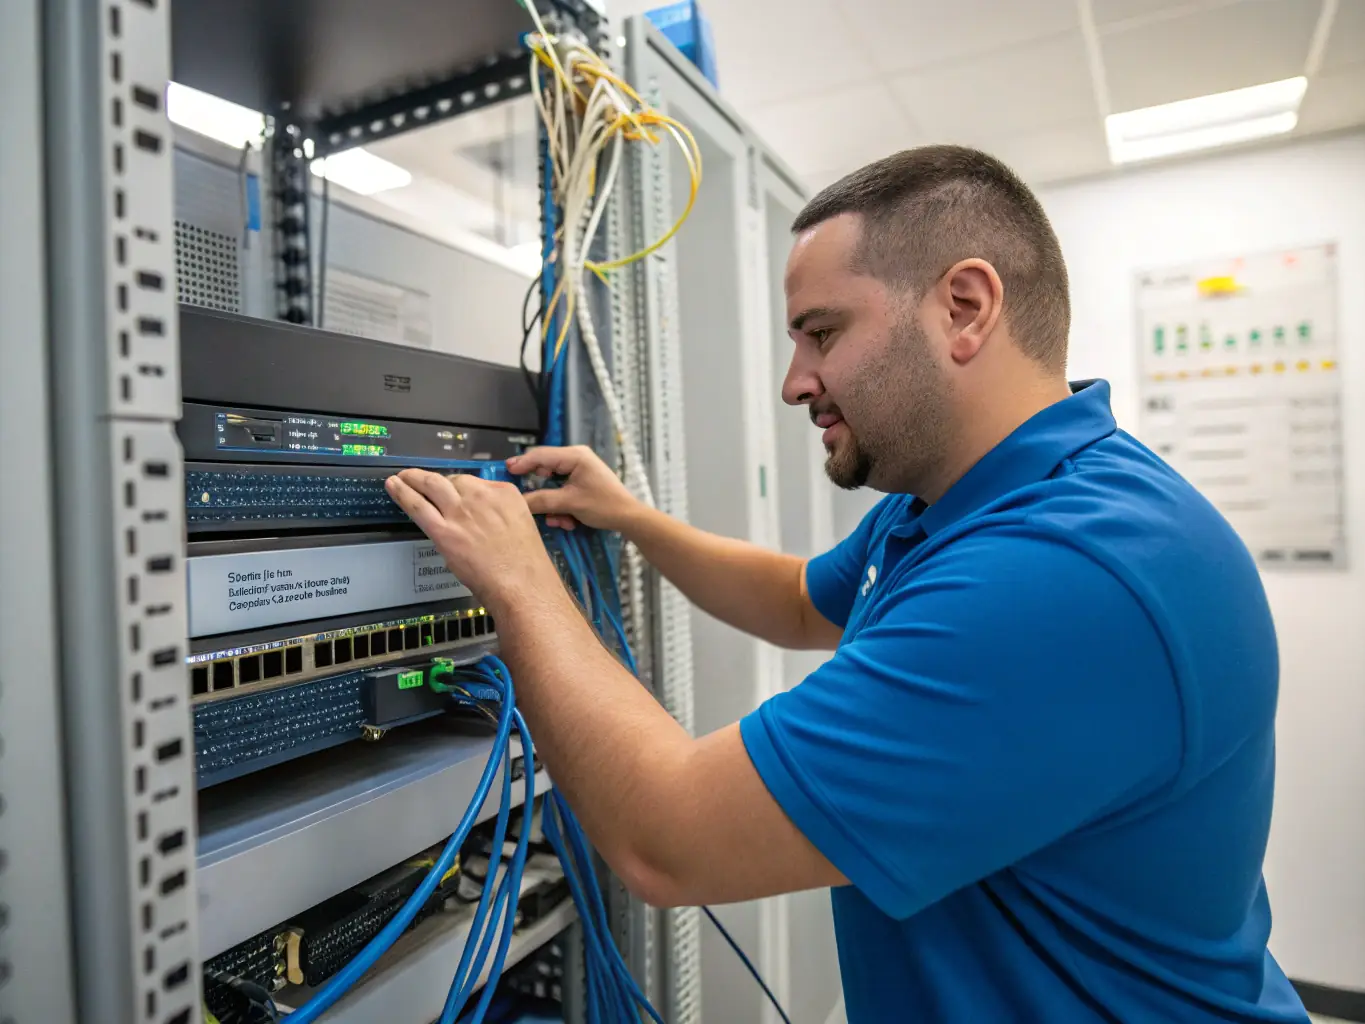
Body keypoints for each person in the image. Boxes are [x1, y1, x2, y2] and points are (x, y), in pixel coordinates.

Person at [385, 145, 1309, 1023]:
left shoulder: (1060, 577)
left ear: (964, 307)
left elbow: (664, 840)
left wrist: (518, 581)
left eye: (821, 332)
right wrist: (633, 518)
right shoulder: (967, 500)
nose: (796, 383)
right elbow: (798, 600)